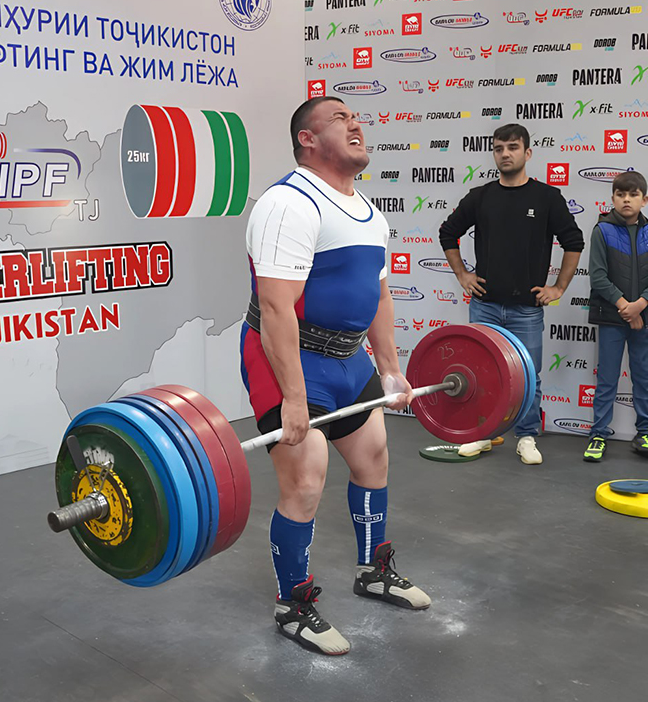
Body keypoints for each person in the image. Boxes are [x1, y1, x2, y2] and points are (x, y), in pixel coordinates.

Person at [240, 96, 430, 656]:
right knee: (306, 479)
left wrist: (390, 369)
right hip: (288, 358)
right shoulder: (289, 203)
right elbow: (276, 308)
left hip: (348, 359)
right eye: (340, 118)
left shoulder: (368, 211)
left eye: (357, 118)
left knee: (373, 457)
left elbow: (378, 296)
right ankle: (292, 604)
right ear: (307, 138)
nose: (356, 123)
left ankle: (373, 570)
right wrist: (294, 398)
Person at [439, 124, 584, 464]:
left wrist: (559, 288)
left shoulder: (547, 197)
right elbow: (448, 233)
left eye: (513, 147)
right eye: (499, 148)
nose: (505, 154)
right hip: (485, 306)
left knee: (528, 375)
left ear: (527, 153)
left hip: (526, 309)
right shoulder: (480, 196)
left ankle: (527, 435)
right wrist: (462, 274)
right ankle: (483, 433)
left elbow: (573, 242)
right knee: (480, 373)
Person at [584, 171, 648, 461]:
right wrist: (626, 307)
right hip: (612, 317)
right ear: (612, 199)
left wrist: (640, 305)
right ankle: (598, 434)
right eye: (621, 195)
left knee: (643, 376)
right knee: (607, 378)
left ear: (644, 200)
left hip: (643, 317)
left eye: (633, 195)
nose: (626, 200)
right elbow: (598, 277)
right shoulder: (603, 230)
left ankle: (644, 432)